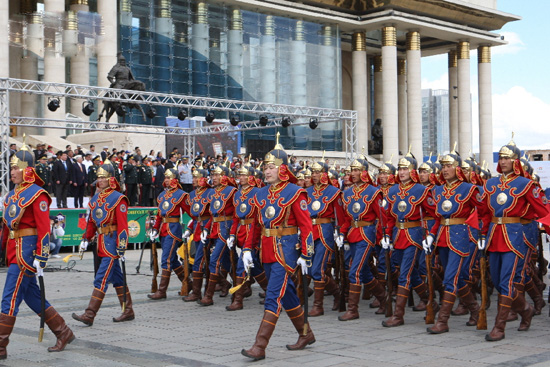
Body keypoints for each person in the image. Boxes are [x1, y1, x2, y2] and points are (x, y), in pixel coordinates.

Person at [241, 135, 314, 361]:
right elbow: (254, 224)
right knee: (288, 295)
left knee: (273, 295)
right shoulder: (259, 193)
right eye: (265, 167)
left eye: (271, 167)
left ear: (282, 169)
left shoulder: (295, 192)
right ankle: (306, 333)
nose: (267, 171)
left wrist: (306, 253)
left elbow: (306, 226)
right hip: (266, 250)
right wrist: (247, 249)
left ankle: (259, 346)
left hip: (286, 252)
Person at [1, 145, 75, 359]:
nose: (12, 171)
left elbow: (43, 229)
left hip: (26, 255)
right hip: (14, 251)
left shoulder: (37, 194)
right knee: (33, 296)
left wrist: (41, 257)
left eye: (15, 167)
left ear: (26, 169)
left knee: (10, 297)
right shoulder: (12, 194)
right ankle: (64, 332)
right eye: (11, 168)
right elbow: (7, 227)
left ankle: (1, 345)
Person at [479, 138, 550, 341]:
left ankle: (499, 328)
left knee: (508, 281)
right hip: (494, 236)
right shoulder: (490, 184)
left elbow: (544, 209)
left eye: (507, 158)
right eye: (501, 158)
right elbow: (484, 213)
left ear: (515, 161)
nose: (502, 162)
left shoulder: (527, 184)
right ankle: (525, 310)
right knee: (498, 281)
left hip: (515, 237)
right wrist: (482, 234)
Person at [424, 150, 484, 334]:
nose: (445, 169)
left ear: (457, 168)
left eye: (449, 165)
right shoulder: (437, 190)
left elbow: (484, 211)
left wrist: (481, 233)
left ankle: (443, 321)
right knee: (455, 278)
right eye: (443, 166)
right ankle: (475, 310)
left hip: (460, 237)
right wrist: (431, 235)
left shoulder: (469, 189)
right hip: (442, 236)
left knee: (450, 278)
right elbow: (436, 217)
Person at [72, 160, 135, 326]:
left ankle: (90, 314)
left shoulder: (119, 198)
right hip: (100, 243)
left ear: (111, 179)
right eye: (98, 178)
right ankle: (128, 310)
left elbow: (122, 226)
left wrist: (122, 247)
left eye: (103, 178)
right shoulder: (96, 198)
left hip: (112, 245)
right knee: (118, 279)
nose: (99, 181)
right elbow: (92, 222)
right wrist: (86, 238)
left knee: (101, 278)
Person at [381, 151, 438, 327]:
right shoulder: (393, 190)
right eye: (400, 169)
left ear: (412, 170)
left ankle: (398, 315)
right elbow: (390, 217)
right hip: (398, 235)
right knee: (409, 273)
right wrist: (387, 236)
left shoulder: (422, 190)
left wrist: (430, 235)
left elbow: (434, 215)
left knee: (404, 274)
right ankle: (431, 302)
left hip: (414, 236)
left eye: (405, 169)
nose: (402, 172)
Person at [338, 156, 387, 320]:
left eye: (357, 169)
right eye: (352, 170)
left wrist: (381, 236)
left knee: (355, 271)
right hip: (352, 233)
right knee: (364, 272)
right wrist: (341, 234)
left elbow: (381, 217)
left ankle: (353, 310)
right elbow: (346, 219)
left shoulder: (373, 192)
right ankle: (384, 299)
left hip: (366, 233)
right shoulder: (347, 192)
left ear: (364, 172)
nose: (354, 173)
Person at [225, 165, 268, 311]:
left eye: (244, 175)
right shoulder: (237, 193)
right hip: (241, 230)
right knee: (253, 264)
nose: (241, 177)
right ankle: (268, 290)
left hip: (253, 231)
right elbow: (236, 217)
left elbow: (257, 218)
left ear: (250, 177)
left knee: (241, 266)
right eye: (239, 175)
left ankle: (238, 300)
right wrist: (232, 233)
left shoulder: (257, 192)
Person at [306, 159, 345, 316]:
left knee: (318, 269)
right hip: (310, 231)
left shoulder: (333, 192)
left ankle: (318, 305)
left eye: (317, 172)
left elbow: (340, 216)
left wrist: (340, 233)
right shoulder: (307, 192)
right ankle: (337, 293)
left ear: (324, 174)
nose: (314, 175)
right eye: (313, 172)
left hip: (325, 231)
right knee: (309, 269)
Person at [147, 168, 191, 300]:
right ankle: (189, 284)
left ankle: (161, 291)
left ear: (175, 179)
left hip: (173, 229)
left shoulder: (181, 194)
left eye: (169, 178)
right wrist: (154, 228)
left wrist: (193, 226)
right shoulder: (161, 195)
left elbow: (191, 212)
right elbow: (159, 214)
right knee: (173, 261)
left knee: (166, 259)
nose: (166, 180)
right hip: (163, 229)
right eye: (165, 178)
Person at [198, 164, 237, 306]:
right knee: (226, 260)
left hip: (225, 229)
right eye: (212, 175)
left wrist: (233, 232)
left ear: (224, 176)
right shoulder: (213, 192)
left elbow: (236, 214)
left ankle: (208, 296)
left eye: (217, 175)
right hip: (214, 228)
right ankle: (231, 285)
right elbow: (212, 215)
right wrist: (206, 229)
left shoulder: (232, 191)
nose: (213, 178)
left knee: (215, 260)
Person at [182, 166, 213, 302]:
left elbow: (213, 214)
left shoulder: (210, 193)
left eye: (196, 177)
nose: (193, 180)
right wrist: (189, 228)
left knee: (200, 260)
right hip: (196, 227)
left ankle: (197, 293)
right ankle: (222, 284)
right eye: (193, 177)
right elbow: (194, 216)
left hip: (207, 228)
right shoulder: (192, 194)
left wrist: (206, 228)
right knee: (200, 259)